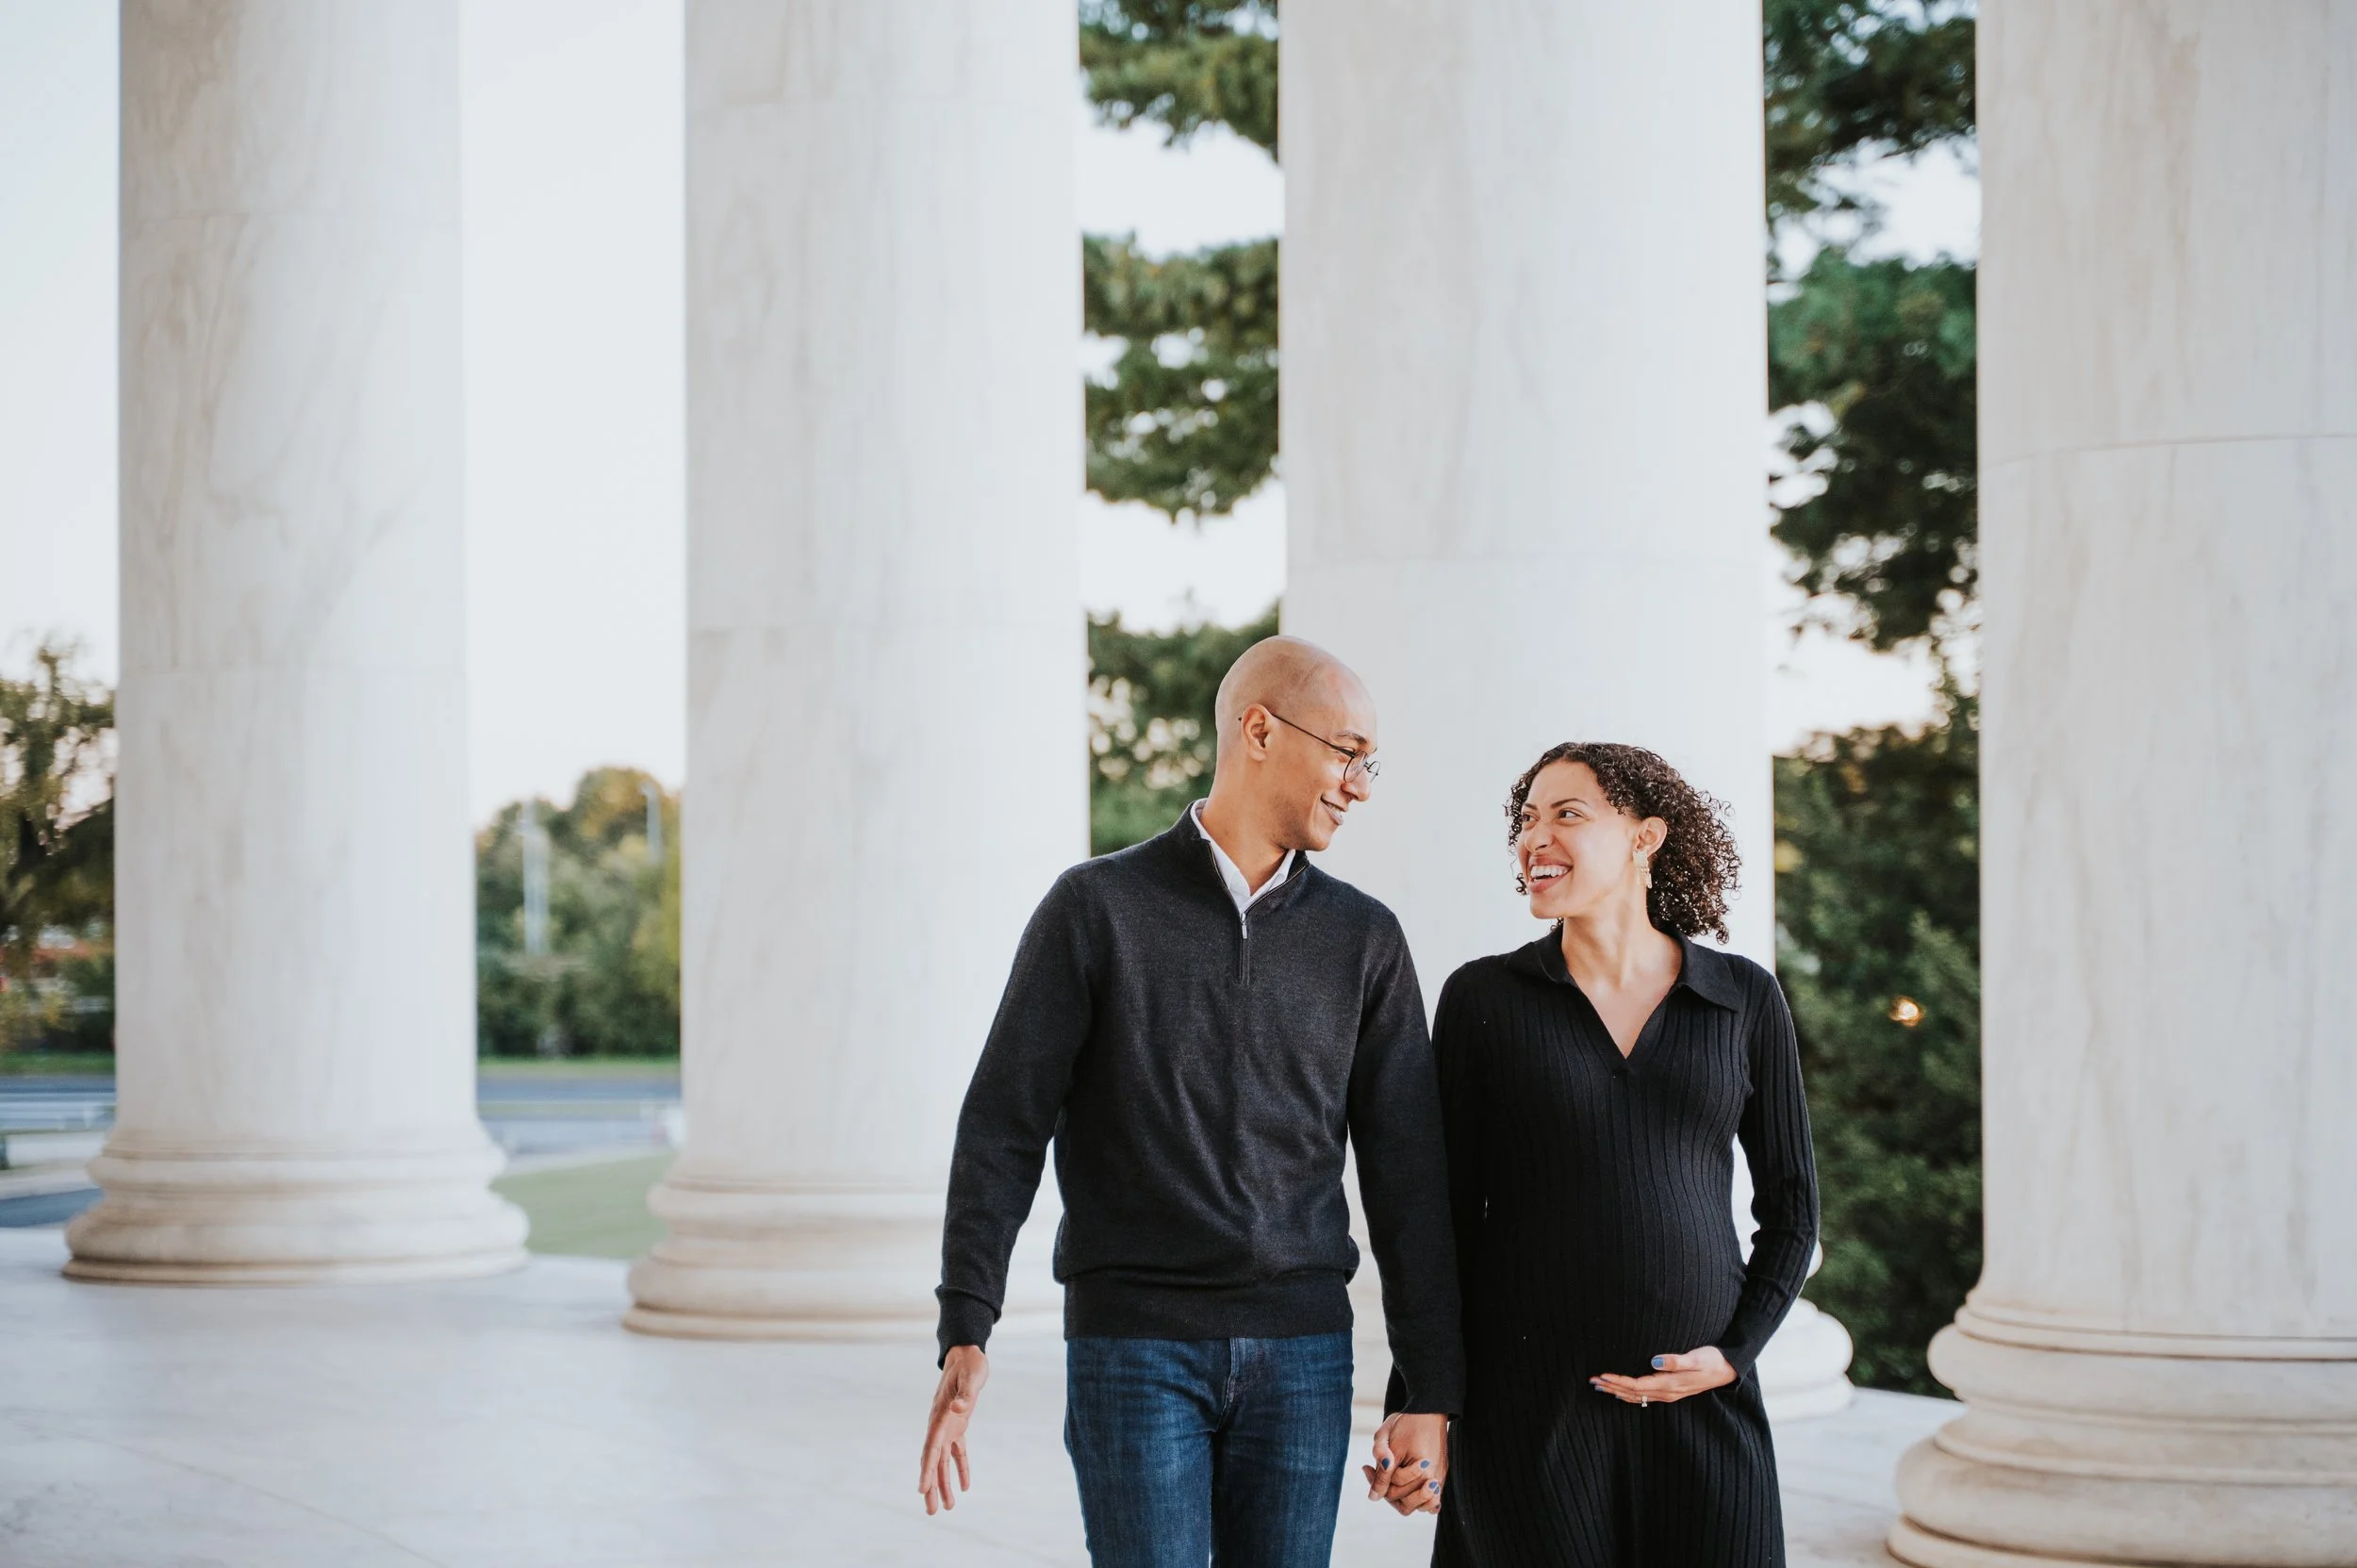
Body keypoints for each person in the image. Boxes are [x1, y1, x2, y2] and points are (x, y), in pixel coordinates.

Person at [920, 635, 1464, 1563]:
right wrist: (967, 1320)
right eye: (1344, 751)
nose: (1360, 784)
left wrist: (1429, 1386)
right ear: (1258, 729)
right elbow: (1003, 1125)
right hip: (1134, 1349)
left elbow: (1409, 1171)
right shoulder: (1094, 909)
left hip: (1303, 1356)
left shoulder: (1365, 940)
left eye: (1369, 761)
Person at [1411, 742, 1817, 1566]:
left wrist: (1734, 1357)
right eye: (1526, 820)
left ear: (1645, 836)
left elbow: (1793, 1208)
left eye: (1568, 814)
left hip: (1702, 1412)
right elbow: (1437, 1221)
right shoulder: (1483, 998)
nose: (1534, 839)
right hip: (1528, 1419)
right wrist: (1424, 1400)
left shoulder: (1741, 997)